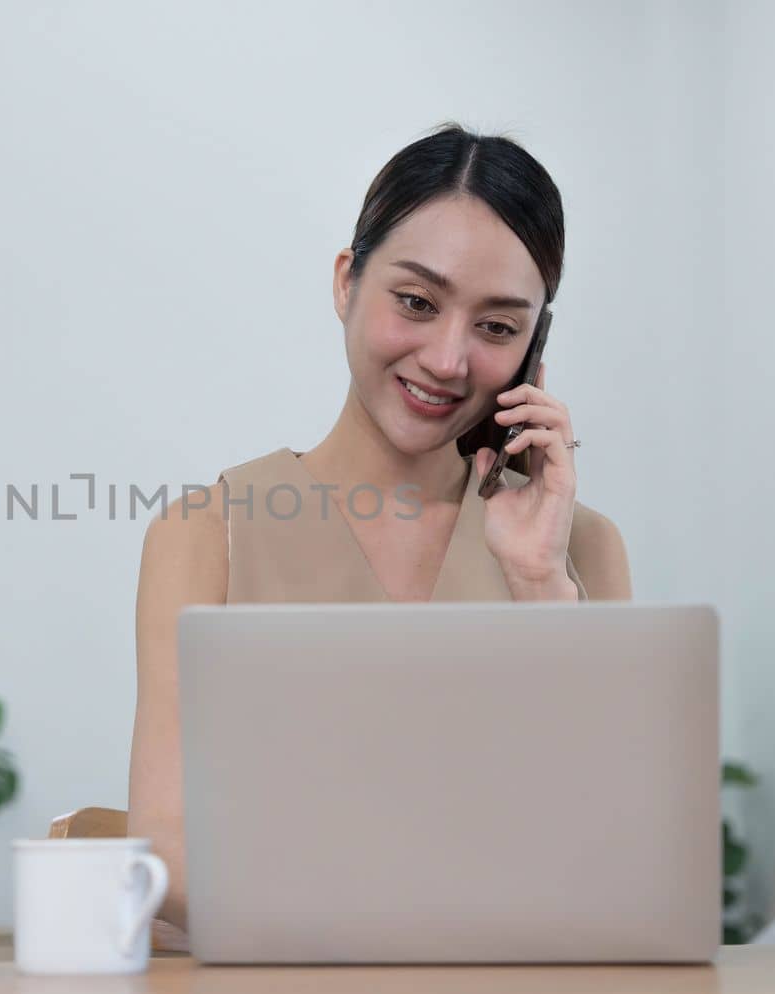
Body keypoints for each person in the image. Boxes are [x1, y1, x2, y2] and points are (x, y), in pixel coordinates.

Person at [126, 122, 632, 939]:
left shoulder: (579, 552)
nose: (448, 359)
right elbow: (166, 856)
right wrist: (442, 901)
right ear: (345, 283)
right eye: (417, 303)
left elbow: (617, 854)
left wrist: (541, 583)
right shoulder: (207, 532)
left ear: (535, 349)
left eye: (498, 327)